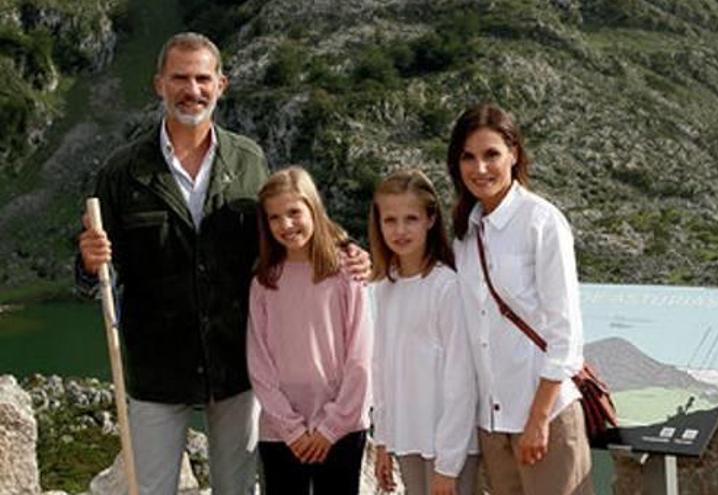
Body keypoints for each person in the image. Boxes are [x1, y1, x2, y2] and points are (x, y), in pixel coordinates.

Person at [75, 33, 368, 494]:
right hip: (157, 369)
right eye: (180, 78)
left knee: (237, 489)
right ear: (159, 85)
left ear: (221, 84)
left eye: (202, 78)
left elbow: (286, 225)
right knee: (152, 489)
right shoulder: (122, 172)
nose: (192, 90)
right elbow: (98, 273)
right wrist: (88, 263)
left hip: (236, 365)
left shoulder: (248, 160)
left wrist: (345, 246)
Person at [446, 103, 593, 495]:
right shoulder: (465, 232)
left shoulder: (541, 222)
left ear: (514, 153)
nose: (480, 168)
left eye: (491, 154)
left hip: (545, 419)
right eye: (468, 157)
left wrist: (538, 419)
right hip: (493, 427)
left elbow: (565, 333)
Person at [247, 166, 372, 495]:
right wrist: (291, 429)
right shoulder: (264, 281)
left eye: (293, 213)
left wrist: (330, 427)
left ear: (313, 209)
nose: (286, 225)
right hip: (280, 432)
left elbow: (360, 358)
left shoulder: (347, 272)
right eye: (274, 218)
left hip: (342, 430)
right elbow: (259, 364)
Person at [368, 169, 480, 495]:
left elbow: (461, 382)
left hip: (450, 450)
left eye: (411, 219)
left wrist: (447, 467)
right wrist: (384, 441)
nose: (400, 230)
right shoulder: (384, 287)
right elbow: (383, 372)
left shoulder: (447, 286)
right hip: (407, 441)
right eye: (390, 220)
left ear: (430, 219)